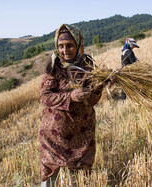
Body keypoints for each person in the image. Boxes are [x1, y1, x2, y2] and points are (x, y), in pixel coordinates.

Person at [39, 24, 105, 187]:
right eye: (61, 46)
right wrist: (70, 96)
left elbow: (92, 99)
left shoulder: (87, 62)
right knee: (50, 177)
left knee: (76, 177)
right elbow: (45, 96)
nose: (65, 50)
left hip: (80, 131)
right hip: (55, 133)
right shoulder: (54, 64)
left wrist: (101, 85)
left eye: (69, 45)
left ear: (78, 44)